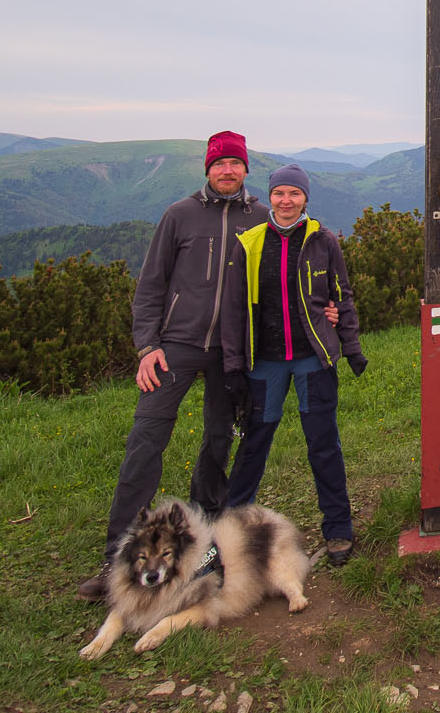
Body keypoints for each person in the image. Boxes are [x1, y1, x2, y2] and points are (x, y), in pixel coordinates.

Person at [79, 130, 269, 600]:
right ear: (207, 169)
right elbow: (150, 287)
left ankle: (201, 548)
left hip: (230, 349)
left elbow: (284, 279)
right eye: (220, 164)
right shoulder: (179, 215)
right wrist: (148, 347)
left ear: (247, 169)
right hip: (175, 347)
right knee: (146, 442)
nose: (228, 171)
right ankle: (116, 559)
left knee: (217, 440)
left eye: (235, 163)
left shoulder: (261, 218)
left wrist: (326, 309)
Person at [219, 163, 367, 565]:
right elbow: (234, 309)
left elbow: (342, 296)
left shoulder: (323, 241)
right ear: (269, 197)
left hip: (312, 360)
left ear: (305, 198)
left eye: (294, 194)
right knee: (253, 446)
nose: (287, 201)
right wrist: (233, 366)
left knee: (323, 444)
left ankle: (338, 529)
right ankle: (230, 535)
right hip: (264, 362)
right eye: (280, 193)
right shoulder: (249, 243)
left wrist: (351, 348)